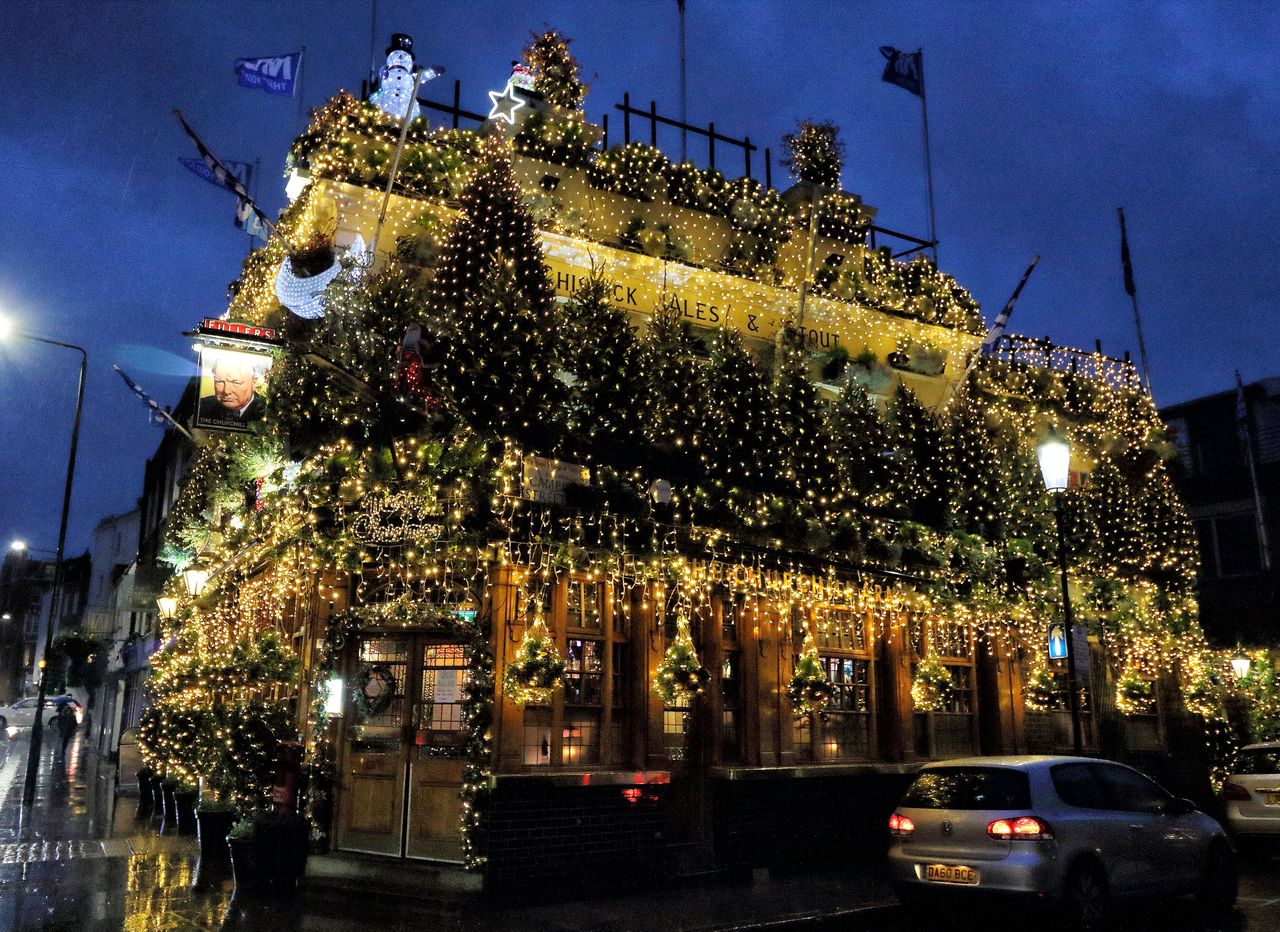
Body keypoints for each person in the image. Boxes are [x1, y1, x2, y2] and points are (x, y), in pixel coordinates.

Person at [197, 354, 266, 425]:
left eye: (236, 382)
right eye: (219, 381)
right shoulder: (201, 407)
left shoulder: (269, 411)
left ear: (254, 383)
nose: (226, 391)